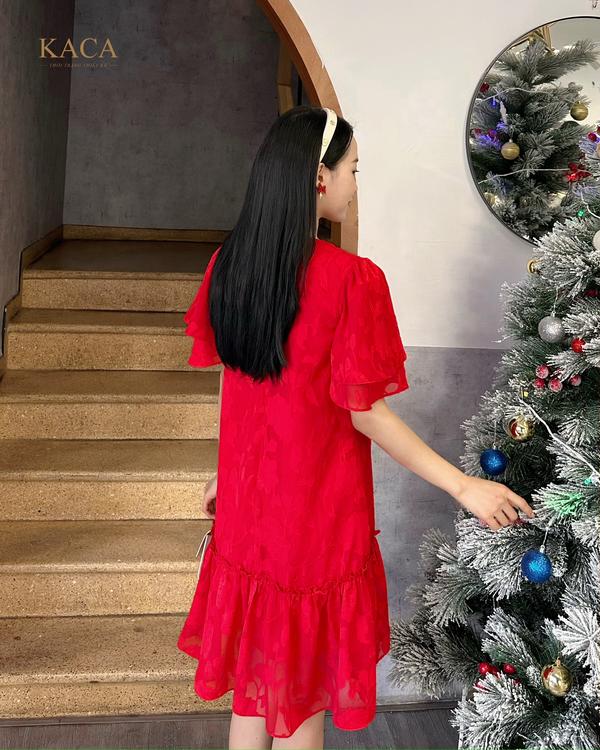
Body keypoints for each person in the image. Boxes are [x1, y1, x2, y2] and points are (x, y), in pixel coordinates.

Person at [177, 106, 535, 750]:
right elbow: (364, 411)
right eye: (352, 171)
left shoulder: (228, 265)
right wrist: (464, 486)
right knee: (301, 698)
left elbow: (236, 377)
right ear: (319, 177)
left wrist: (226, 473)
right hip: (314, 516)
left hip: (250, 511)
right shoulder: (349, 281)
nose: (354, 185)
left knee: (257, 686)